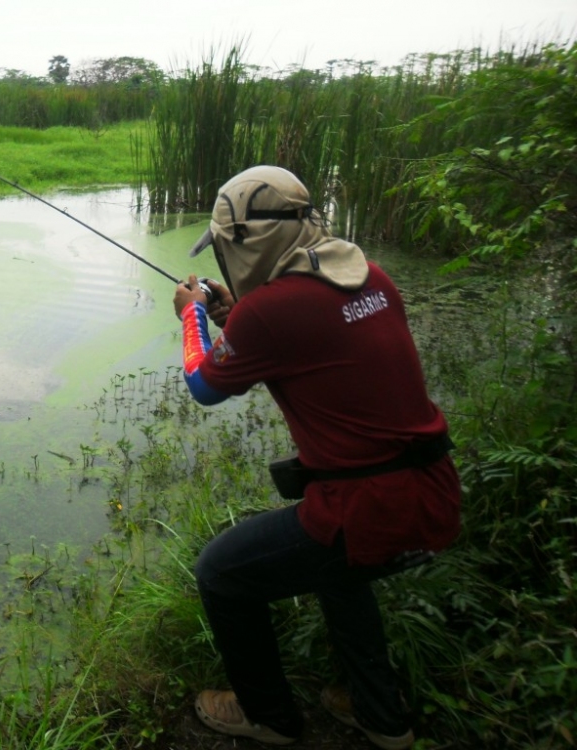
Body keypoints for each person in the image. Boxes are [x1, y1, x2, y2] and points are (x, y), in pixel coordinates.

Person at [172, 165, 461, 749]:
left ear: (246, 242)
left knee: (220, 573)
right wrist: (238, 316)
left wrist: (191, 314)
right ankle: (381, 716)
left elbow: (203, 385)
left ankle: (267, 716)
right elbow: (311, 337)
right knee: (340, 575)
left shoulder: (272, 313)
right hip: (433, 495)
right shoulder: (372, 278)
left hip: (363, 509)